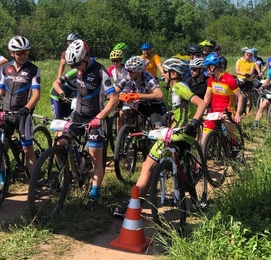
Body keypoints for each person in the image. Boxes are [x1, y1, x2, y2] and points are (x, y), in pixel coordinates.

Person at [109, 58, 206, 217]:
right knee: (181, 169)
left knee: (147, 167)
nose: (163, 76)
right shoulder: (178, 87)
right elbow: (184, 110)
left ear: (173, 74)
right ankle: (194, 199)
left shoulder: (179, 87)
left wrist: (193, 122)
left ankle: (132, 207)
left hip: (177, 135)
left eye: (165, 72)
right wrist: (171, 115)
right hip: (184, 135)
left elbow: (201, 104)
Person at [53, 39, 119, 210]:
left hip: (95, 118)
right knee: (59, 141)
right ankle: (67, 176)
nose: (75, 68)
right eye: (72, 65)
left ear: (85, 57)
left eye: (77, 64)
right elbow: (57, 82)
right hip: (78, 115)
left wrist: (100, 117)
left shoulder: (100, 71)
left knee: (95, 158)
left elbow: (114, 100)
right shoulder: (77, 69)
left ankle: (94, 195)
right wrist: (61, 93)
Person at [0, 36, 41, 182]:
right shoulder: (6, 69)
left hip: (23, 114)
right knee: (1, 147)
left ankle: (34, 182)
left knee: (28, 149)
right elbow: (0, 91)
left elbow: (36, 94)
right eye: (19, 53)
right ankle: (2, 183)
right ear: (12, 53)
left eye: (26, 53)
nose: (23, 56)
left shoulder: (33, 70)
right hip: (7, 113)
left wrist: (27, 107)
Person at [201, 54, 243, 154]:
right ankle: (200, 165)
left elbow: (240, 97)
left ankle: (234, 141)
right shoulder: (211, 79)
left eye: (208, 67)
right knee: (203, 141)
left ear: (214, 67)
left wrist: (237, 114)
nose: (206, 70)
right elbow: (207, 97)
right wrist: (203, 110)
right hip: (214, 111)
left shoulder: (229, 79)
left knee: (228, 123)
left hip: (227, 110)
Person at [115, 56, 166, 128]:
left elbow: (159, 95)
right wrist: (108, 94)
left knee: (157, 128)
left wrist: (138, 96)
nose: (128, 73)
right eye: (127, 71)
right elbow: (117, 89)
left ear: (139, 72)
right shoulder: (129, 77)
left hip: (154, 105)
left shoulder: (149, 78)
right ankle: (134, 133)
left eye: (131, 72)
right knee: (124, 114)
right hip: (140, 104)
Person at [235, 48, 255, 116]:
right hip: (240, 79)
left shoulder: (252, 63)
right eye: (247, 54)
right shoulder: (240, 61)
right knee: (237, 95)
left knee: (248, 95)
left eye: (250, 55)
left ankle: (247, 112)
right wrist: (244, 74)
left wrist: (247, 75)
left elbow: (251, 72)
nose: (248, 56)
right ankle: (236, 110)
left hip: (248, 80)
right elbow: (237, 71)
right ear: (244, 54)